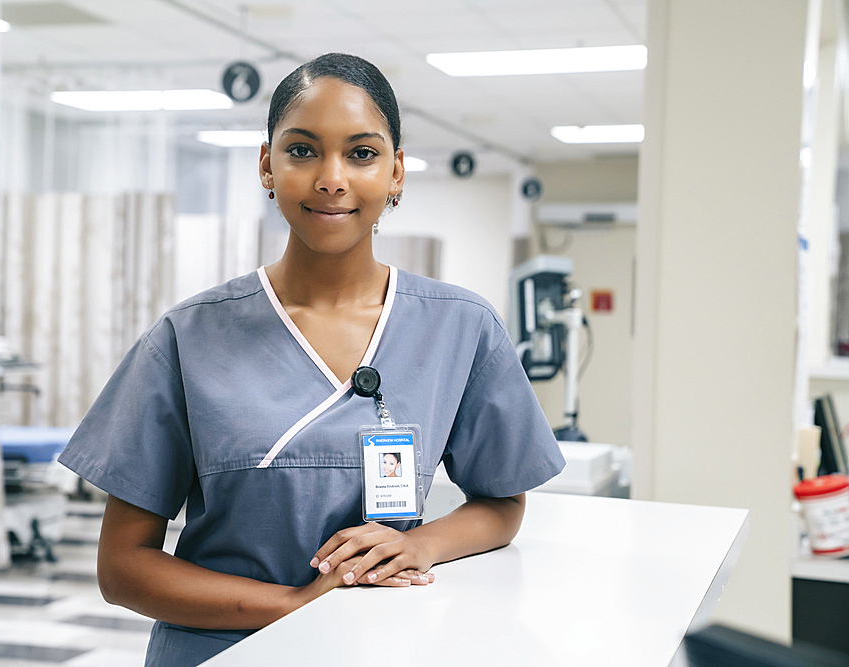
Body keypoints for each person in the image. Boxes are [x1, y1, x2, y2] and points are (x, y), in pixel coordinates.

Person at [58, 52, 565, 667]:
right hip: (219, 653)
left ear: (397, 173)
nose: (332, 177)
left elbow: (503, 504)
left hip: (380, 648)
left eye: (362, 153)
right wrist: (299, 604)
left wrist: (421, 546)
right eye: (302, 151)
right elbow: (122, 568)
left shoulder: (459, 327)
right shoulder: (187, 338)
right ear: (267, 166)